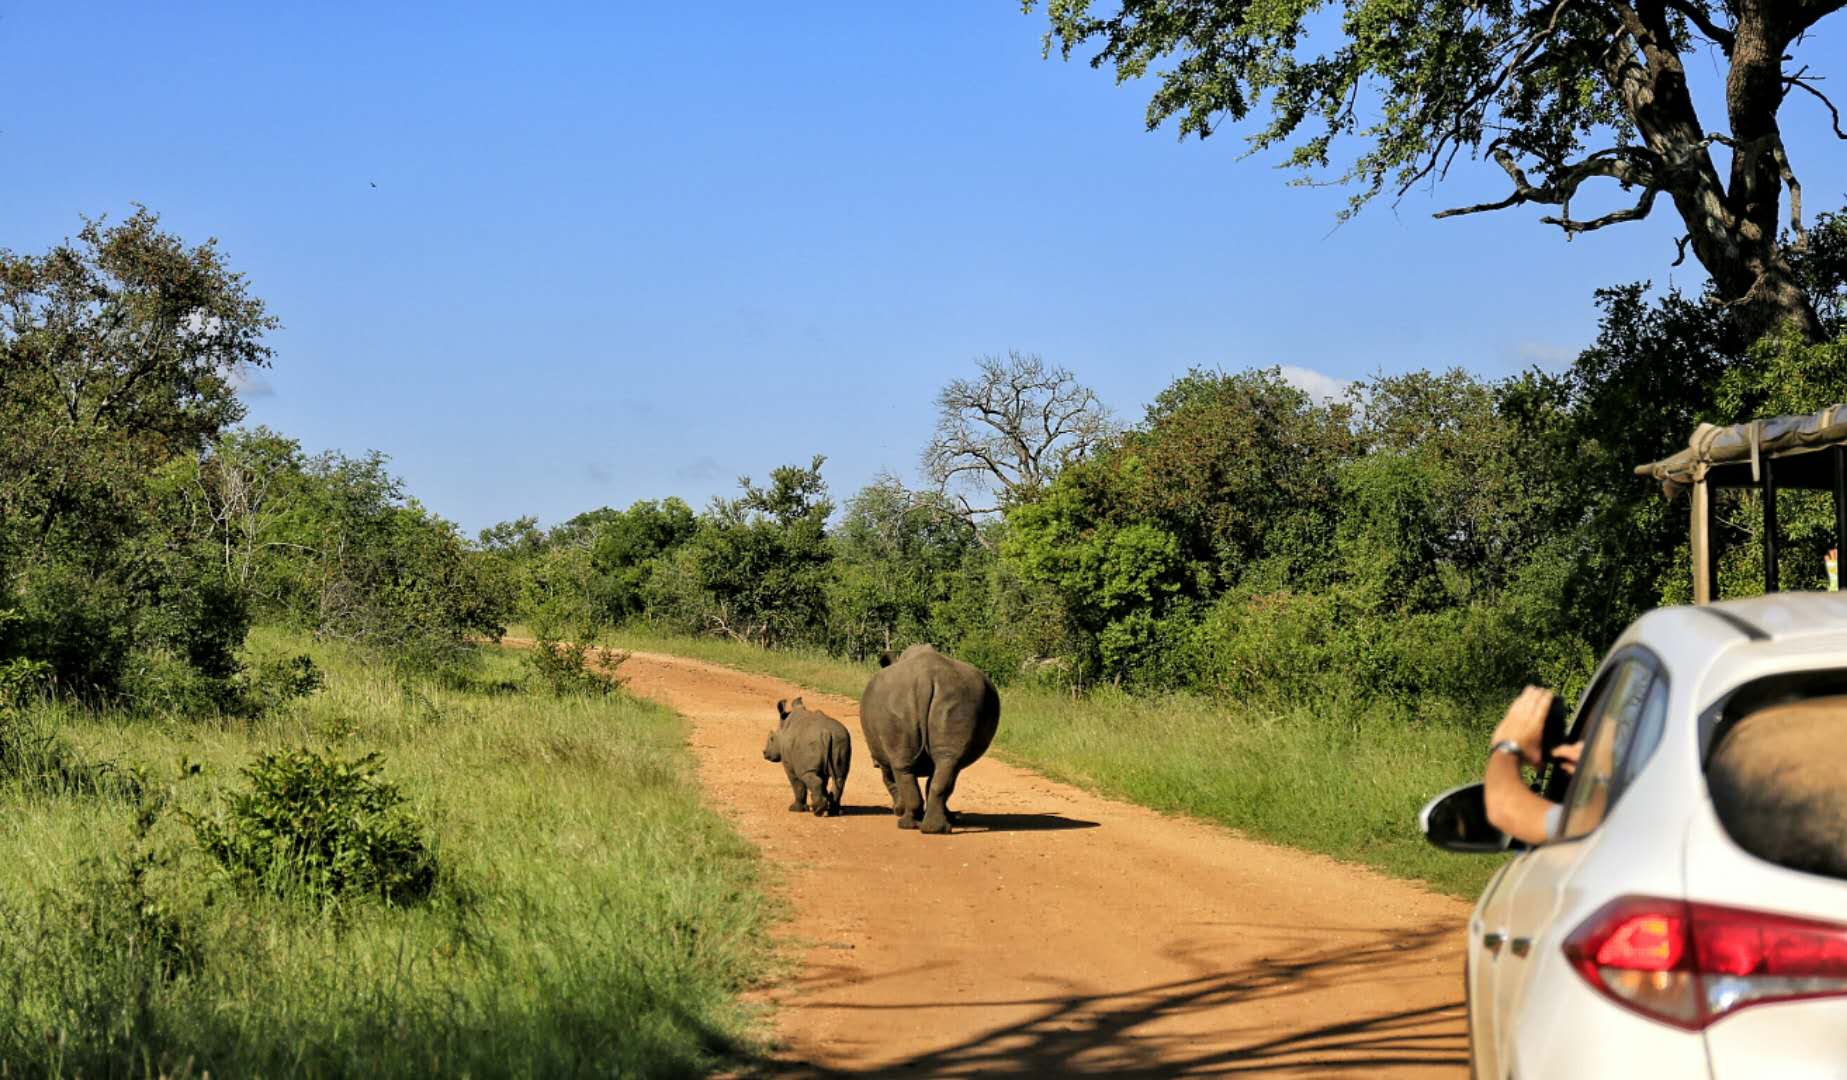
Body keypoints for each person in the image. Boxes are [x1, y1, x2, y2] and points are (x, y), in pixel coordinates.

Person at [1483, 685, 1583, 845]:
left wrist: (1506, 747)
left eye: (1589, 745)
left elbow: (1503, 808)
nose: (1575, 750)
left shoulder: (1593, 822)